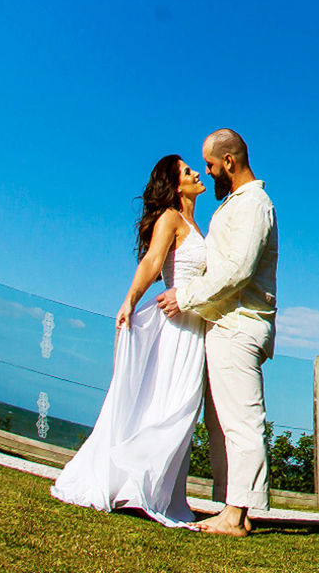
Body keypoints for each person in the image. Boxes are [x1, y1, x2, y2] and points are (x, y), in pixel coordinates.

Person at [50, 155, 209, 528]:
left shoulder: (195, 224)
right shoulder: (171, 217)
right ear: (175, 185)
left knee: (181, 407)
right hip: (176, 325)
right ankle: (135, 484)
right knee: (176, 405)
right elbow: (153, 261)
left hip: (194, 326)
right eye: (188, 172)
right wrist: (129, 301)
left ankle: (153, 491)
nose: (196, 173)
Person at [160, 128, 278, 539]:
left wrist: (185, 295)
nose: (207, 173)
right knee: (220, 422)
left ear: (228, 161)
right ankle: (235, 510)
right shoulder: (233, 206)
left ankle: (236, 514)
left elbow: (237, 271)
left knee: (241, 421)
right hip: (224, 324)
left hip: (239, 326)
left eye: (209, 165)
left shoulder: (253, 205)